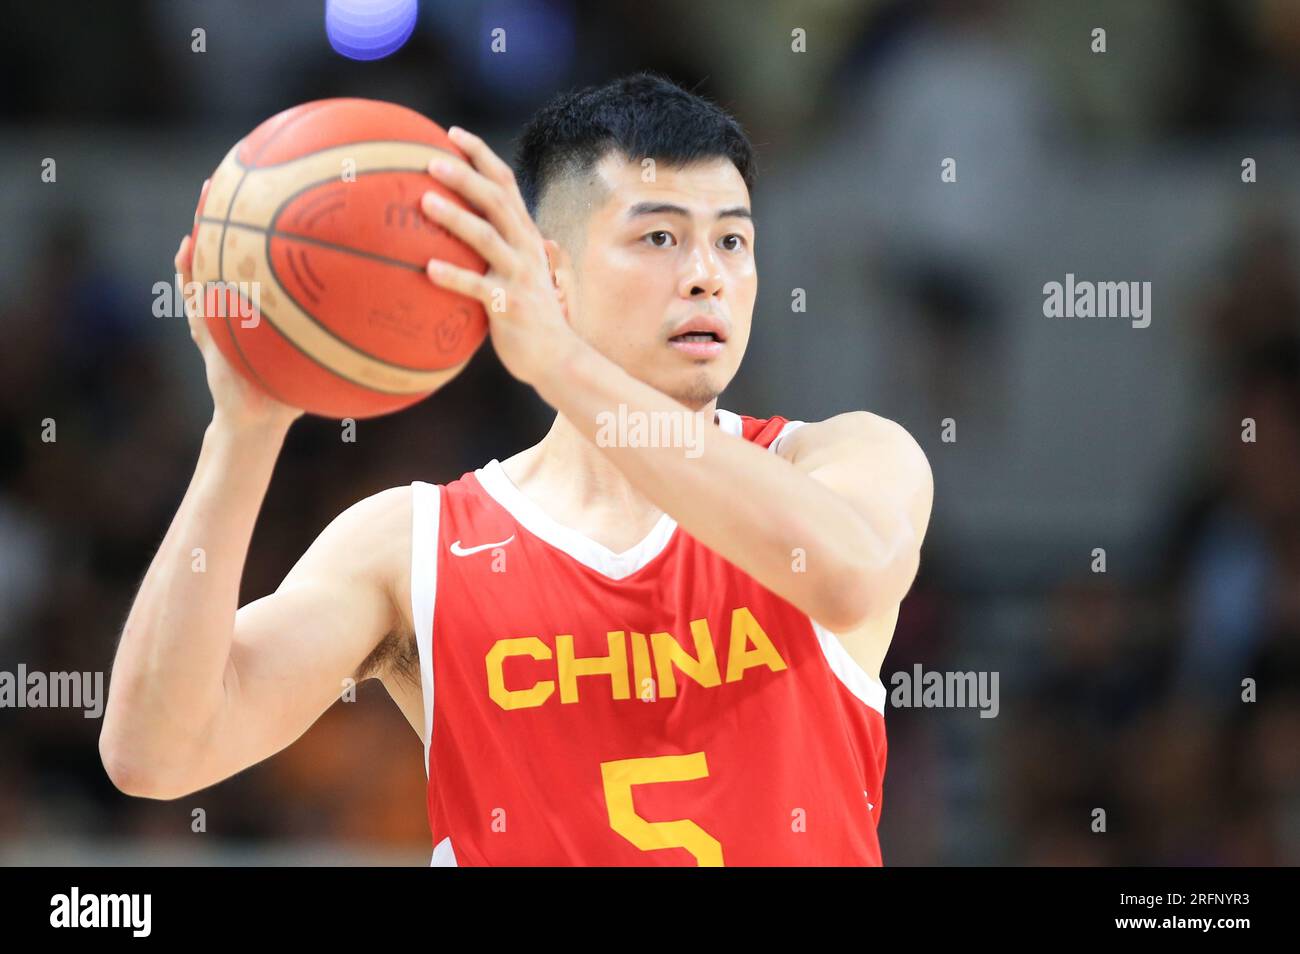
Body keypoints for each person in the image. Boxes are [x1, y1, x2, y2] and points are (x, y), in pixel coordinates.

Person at [101, 72, 933, 866]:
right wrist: (245, 428)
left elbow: (849, 575)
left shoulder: (846, 456)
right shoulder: (412, 543)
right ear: (549, 274)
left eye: (732, 240)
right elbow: (155, 752)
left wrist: (556, 360)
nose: (707, 274)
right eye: (659, 236)